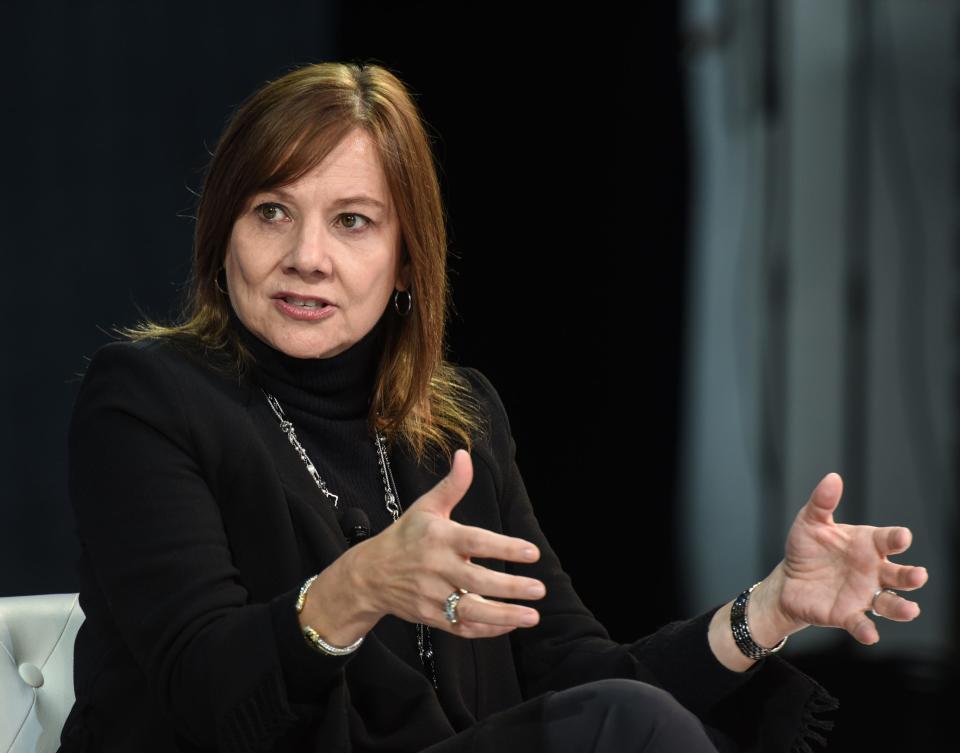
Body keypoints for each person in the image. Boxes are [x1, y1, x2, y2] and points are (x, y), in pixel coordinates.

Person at [58, 61, 927, 753]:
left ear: (405, 260)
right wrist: (360, 584)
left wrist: (769, 609)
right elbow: (205, 697)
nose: (307, 256)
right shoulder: (148, 398)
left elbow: (578, 676)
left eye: (353, 221)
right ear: (224, 234)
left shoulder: (456, 422)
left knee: (623, 714)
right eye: (271, 211)